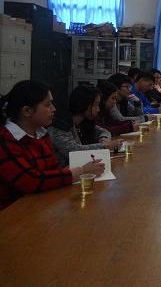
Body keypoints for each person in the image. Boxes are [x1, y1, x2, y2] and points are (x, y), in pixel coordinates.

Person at [0, 81, 104, 209]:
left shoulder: (41, 134)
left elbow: (54, 170)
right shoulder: (6, 140)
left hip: (41, 204)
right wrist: (81, 171)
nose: (54, 109)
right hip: (13, 211)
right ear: (27, 111)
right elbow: (31, 181)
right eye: (48, 104)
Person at [48, 85, 123, 167]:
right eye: (96, 105)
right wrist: (105, 145)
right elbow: (74, 151)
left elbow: (104, 131)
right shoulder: (60, 126)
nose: (98, 109)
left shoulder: (84, 121)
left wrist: (103, 139)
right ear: (84, 104)